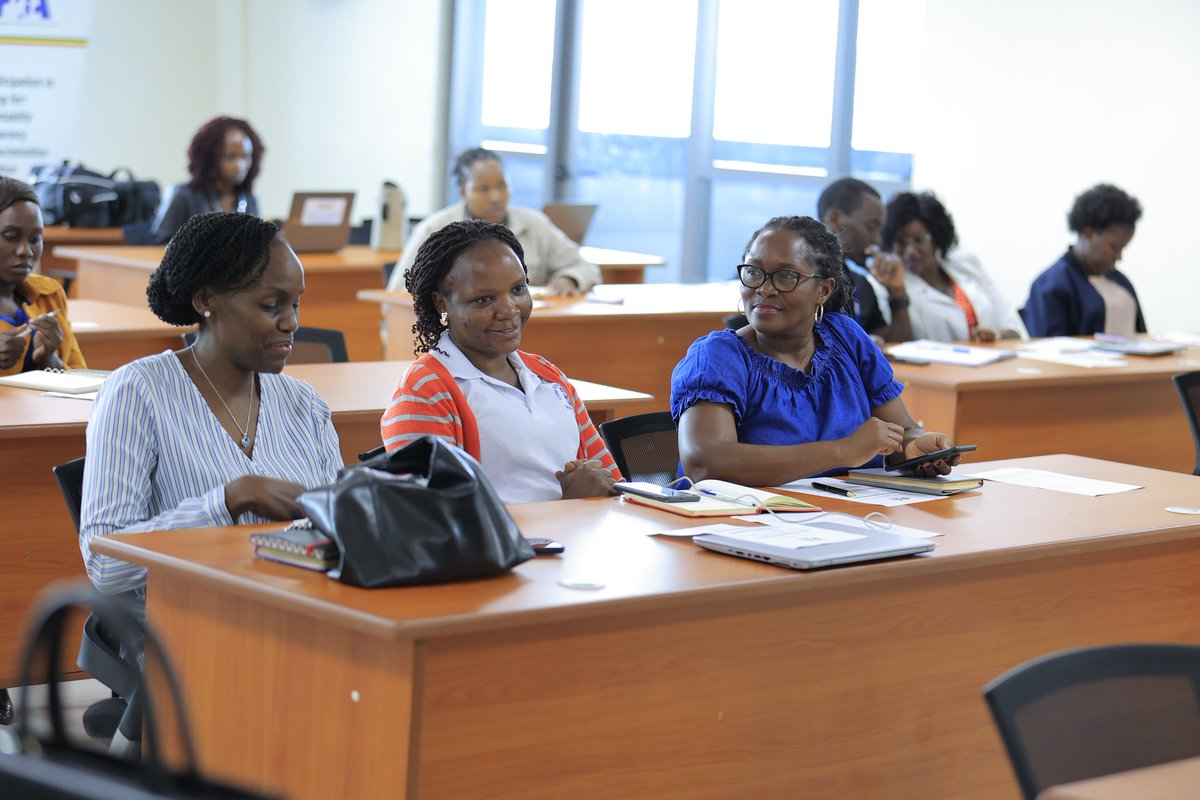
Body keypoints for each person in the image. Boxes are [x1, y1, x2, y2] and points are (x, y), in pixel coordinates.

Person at [80, 212, 342, 598]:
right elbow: (105, 564)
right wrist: (230, 499)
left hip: (295, 614)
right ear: (206, 300)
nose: (292, 322)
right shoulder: (138, 392)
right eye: (271, 306)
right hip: (185, 631)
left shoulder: (305, 405)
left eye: (296, 304)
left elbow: (340, 532)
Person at [672, 215, 958, 486]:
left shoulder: (846, 337)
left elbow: (901, 430)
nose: (765, 288)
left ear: (823, 290)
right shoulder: (717, 357)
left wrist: (914, 447)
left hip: (850, 520)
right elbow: (704, 462)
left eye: (786, 276)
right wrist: (843, 451)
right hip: (749, 526)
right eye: (753, 272)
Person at [380, 218, 619, 503]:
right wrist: (566, 506)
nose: (508, 309)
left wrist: (589, 497)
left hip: (580, 540)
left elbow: (613, 483)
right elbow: (430, 518)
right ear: (443, 304)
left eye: (518, 289)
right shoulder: (425, 389)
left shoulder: (547, 376)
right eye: (484, 300)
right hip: (512, 547)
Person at [387, 148, 601, 296]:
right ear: (464, 191)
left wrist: (570, 279)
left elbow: (584, 267)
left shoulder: (534, 224)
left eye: (502, 186)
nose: (496, 197)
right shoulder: (435, 230)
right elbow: (399, 293)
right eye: (483, 189)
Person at [882, 192, 1025, 342]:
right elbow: (898, 344)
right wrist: (897, 294)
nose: (910, 250)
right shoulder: (892, 285)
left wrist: (995, 336)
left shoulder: (966, 264)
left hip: (993, 360)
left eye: (919, 240)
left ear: (937, 238)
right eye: (901, 242)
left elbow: (1012, 327)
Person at [1024, 184, 1144, 337]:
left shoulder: (1121, 282)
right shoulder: (1050, 286)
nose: (1119, 256)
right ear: (1088, 234)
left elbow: (1142, 338)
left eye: (1123, 248)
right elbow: (1049, 349)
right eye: (1114, 247)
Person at [0, 176, 86, 378]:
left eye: (35, 239)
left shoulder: (49, 294)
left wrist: (49, 360)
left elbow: (83, 380)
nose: (26, 251)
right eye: (11, 237)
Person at [817, 177, 912, 343]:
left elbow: (895, 347)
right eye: (871, 227)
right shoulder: (801, 281)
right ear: (835, 219)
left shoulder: (859, 284)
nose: (877, 240)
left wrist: (897, 293)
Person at [150, 116, 265, 244]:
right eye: (231, 157)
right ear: (211, 159)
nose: (239, 166)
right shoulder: (185, 196)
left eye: (245, 157)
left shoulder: (249, 200)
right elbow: (161, 242)